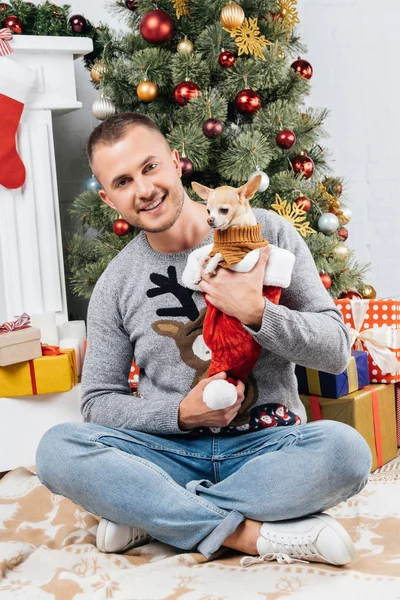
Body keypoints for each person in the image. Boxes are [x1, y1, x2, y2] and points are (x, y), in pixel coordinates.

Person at [35, 112, 372, 567]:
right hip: (167, 451)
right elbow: (97, 401)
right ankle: (249, 536)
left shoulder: (269, 233)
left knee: (346, 452)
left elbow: (334, 351)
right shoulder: (115, 284)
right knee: (56, 450)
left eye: (150, 167)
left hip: (265, 445)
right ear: (111, 201)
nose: (143, 190)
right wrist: (180, 415)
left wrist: (257, 312)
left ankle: (153, 514)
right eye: (123, 182)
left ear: (177, 163)